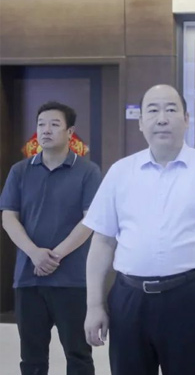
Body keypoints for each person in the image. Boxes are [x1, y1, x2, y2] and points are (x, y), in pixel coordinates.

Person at [83, 85, 195, 375]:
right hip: (128, 299)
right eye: (153, 110)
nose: (162, 118)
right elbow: (102, 241)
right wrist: (94, 304)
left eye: (170, 109)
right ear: (141, 122)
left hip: (188, 299)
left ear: (186, 119)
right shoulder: (120, 172)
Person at [0, 101, 102, 375]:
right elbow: (8, 217)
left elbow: (90, 220)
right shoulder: (20, 170)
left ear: (70, 132)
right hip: (28, 278)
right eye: (41, 124)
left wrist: (54, 256)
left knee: (78, 355)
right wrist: (35, 253)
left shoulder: (88, 171)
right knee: (31, 358)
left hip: (72, 279)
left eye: (54, 124)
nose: (46, 130)